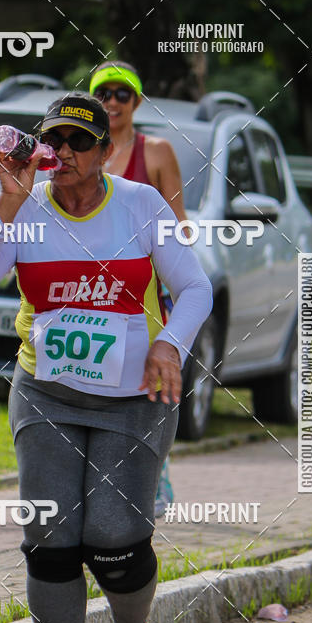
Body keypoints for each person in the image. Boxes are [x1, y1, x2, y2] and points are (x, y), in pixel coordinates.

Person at [0, 92, 212, 623]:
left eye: (78, 142)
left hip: (132, 400)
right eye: (52, 140)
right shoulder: (27, 209)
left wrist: (170, 345)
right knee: (50, 542)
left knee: (116, 540)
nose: (61, 152)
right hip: (47, 394)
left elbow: (195, 287)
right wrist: (7, 203)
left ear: (103, 151)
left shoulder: (140, 205)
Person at [89, 61, 188, 517]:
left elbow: (178, 226)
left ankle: (156, 468)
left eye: (121, 94)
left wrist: (180, 286)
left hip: (147, 290)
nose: (112, 101)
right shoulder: (81, 150)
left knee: (152, 380)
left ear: (137, 102)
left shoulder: (158, 152)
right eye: (103, 93)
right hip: (91, 288)